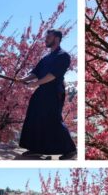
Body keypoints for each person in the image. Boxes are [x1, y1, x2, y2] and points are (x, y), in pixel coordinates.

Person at [17, 29, 76, 160]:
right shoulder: (46, 58)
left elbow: (53, 75)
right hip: (42, 91)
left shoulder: (63, 56)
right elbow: (35, 72)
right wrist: (24, 79)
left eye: (48, 37)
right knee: (34, 116)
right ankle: (35, 148)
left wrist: (36, 83)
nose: (45, 39)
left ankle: (70, 150)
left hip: (54, 91)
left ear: (57, 38)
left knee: (53, 119)